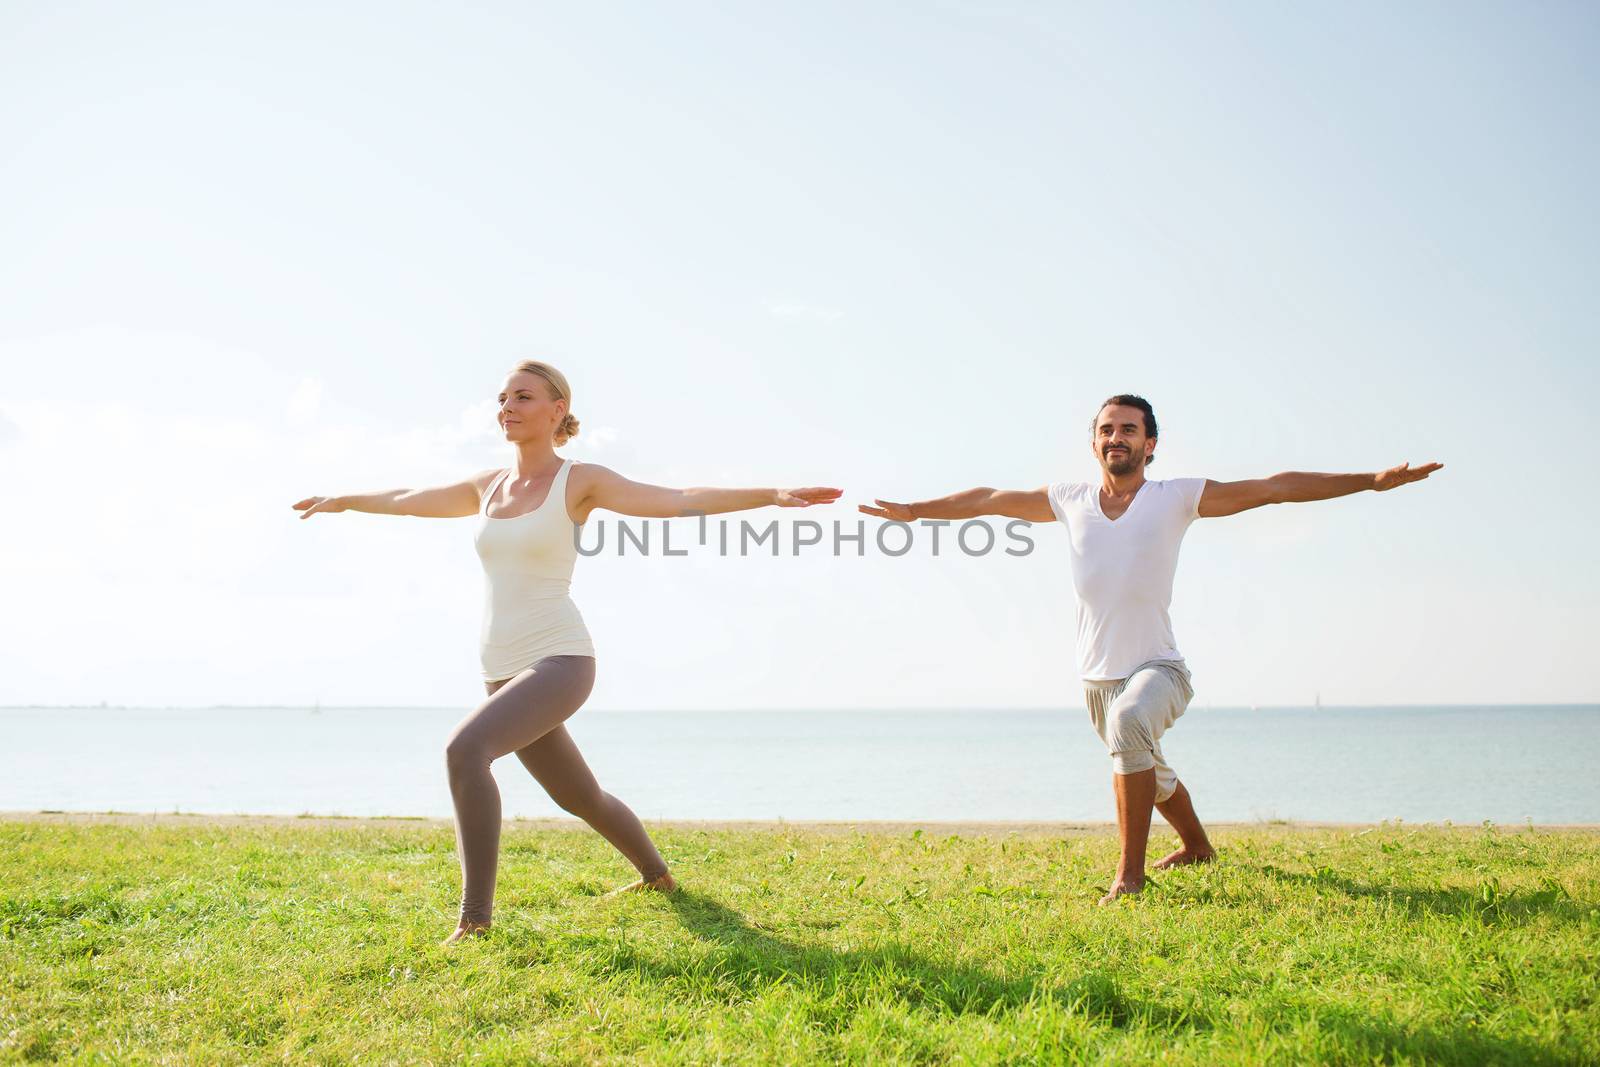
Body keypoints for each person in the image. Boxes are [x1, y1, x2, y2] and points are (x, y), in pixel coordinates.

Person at [294, 360, 841, 943]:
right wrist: (344, 499)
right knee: (579, 796)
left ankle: (474, 920)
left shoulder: (578, 481)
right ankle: (658, 877)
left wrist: (771, 495)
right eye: (502, 398)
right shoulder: (487, 486)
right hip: (499, 670)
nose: (507, 407)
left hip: (560, 660)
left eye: (523, 397)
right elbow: (407, 497)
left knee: (465, 750)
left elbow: (676, 496)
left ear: (558, 410)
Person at [861, 394, 1441, 903]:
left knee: (1132, 722)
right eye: (1107, 430)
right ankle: (1197, 848)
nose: (1117, 438)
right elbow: (988, 498)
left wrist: (1369, 481)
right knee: (1148, 769)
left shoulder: (1176, 497)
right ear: (1094, 444)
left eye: (1129, 429)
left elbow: (1276, 488)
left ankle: (1130, 877)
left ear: (1151, 443)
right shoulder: (1069, 499)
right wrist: (914, 512)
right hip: (1096, 677)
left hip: (1159, 667)